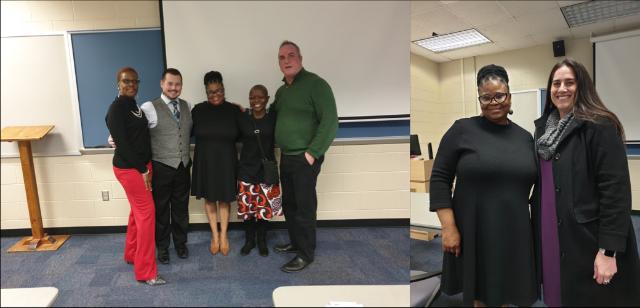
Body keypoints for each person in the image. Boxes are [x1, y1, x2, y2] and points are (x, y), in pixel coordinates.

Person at [533, 58, 640, 306]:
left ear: (582, 87)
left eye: (569, 82)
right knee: (559, 293)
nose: (562, 89)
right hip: (550, 229)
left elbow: (616, 192)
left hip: (586, 235)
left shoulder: (600, 125)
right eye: (556, 83)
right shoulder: (542, 131)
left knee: (591, 297)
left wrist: (608, 251)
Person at [429, 64, 537, 306]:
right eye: (486, 97)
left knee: (506, 291)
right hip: (474, 229)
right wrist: (448, 228)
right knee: (480, 295)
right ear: (479, 99)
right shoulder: (462, 130)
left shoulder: (525, 137)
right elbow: (439, 179)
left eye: (499, 95)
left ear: (509, 95)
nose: (494, 102)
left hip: (514, 230)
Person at [271, 40, 338, 272]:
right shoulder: (281, 92)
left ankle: (306, 254)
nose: (286, 60)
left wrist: (312, 154)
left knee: (304, 207)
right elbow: (271, 116)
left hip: (305, 158)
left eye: (291, 55)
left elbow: (330, 122)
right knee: (289, 204)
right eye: (281, 57)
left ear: (300, 58)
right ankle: (297, 243)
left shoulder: (316, 85)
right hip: (286, 157)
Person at [105, 67, 166, 285]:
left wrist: (145, 166)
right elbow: (123, 145)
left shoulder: (133, 106)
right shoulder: (116, 109)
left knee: (137, 213)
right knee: (147, 214)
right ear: (118, 84)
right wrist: (143, 170)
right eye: (126, 81)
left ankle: (131, 254)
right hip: (131, 169)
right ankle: (146, 272)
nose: (131, 85)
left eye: (134, 81)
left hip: (141, 166)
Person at [139, 68, 192, 264]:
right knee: (161, 210)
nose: (174, 88)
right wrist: (114, 137)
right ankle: (162, 247)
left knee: (181, 209)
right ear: (162, 84)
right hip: (161, 167)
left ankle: (180, 243)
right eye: (170, 83)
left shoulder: (188, 106)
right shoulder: (148, 107)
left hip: (183, 167)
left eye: (177, 84)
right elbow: (132, 129)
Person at [191, 71, 241, 256]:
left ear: (223, 89)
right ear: (206, 92)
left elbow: (246, 132)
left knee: (225, 199)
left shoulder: (234, 111)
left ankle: (224, 235)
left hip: (227, 161)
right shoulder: (197, 110)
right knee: (210, 199)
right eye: (211, 92)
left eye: (219, 90)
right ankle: (215, 235)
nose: (215, 94)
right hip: (205, 161)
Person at [237, 85, 282, 257]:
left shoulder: (273, 117)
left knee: (264, 210)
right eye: (252, 97)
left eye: (260, 97)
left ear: (267, 98)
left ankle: (262, 241)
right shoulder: (243, 118)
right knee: (248, 211)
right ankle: (250, 241)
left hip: (266, 171)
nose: (256, 101)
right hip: (246, 170)